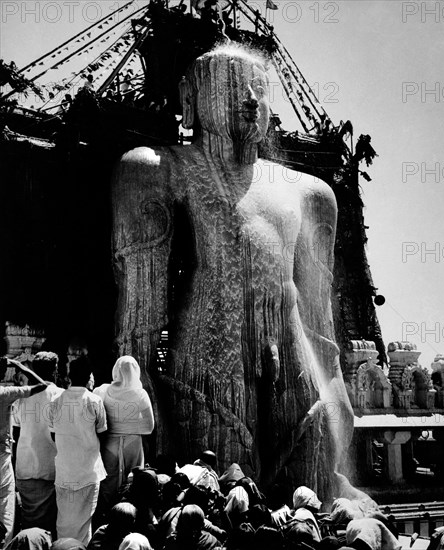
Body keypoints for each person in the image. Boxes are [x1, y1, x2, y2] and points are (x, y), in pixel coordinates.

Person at [112, 43, 353, 497]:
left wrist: (336, 399)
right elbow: (138, 326)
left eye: (260, 87)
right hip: (207, 365)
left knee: (312, 485)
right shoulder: (157, 170)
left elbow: (323, 332)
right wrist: (155, 424)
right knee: (218, 485)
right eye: (230, 83)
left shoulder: (310, 194)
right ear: (190, 96)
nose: (250, 96)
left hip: (295, 371)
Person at [48, 356, 107, 545]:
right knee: (84, 524)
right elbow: (102, 433)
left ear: (69, 376)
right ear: (89, 375)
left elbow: (53, 435)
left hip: (65, 471)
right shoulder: (94, 401)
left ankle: (63, 546)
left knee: (63, 520)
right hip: (88, 471)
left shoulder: (56, 401)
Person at [93, 356, 154, 512]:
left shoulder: (102, 391)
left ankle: (107, 516)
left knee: (108, 481)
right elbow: (149, 427)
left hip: (109, 443)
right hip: (133, 444)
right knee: (134, 482)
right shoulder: (141, 394)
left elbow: (97, 419)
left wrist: (116, 426)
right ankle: (131, 516)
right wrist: (130, 427)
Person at [13, 352, 64, 534]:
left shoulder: (21, 397)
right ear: (55, 370)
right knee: (48, 528)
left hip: (25, 468)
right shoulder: (61, 396)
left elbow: (16, 434)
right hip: (51, 469)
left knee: (27, 525)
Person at [0, 358, 47, 547]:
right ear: (4, 373)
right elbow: (41, 385)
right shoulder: (5, 393)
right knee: (5, 509)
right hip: (1, 458)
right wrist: (20, 367)